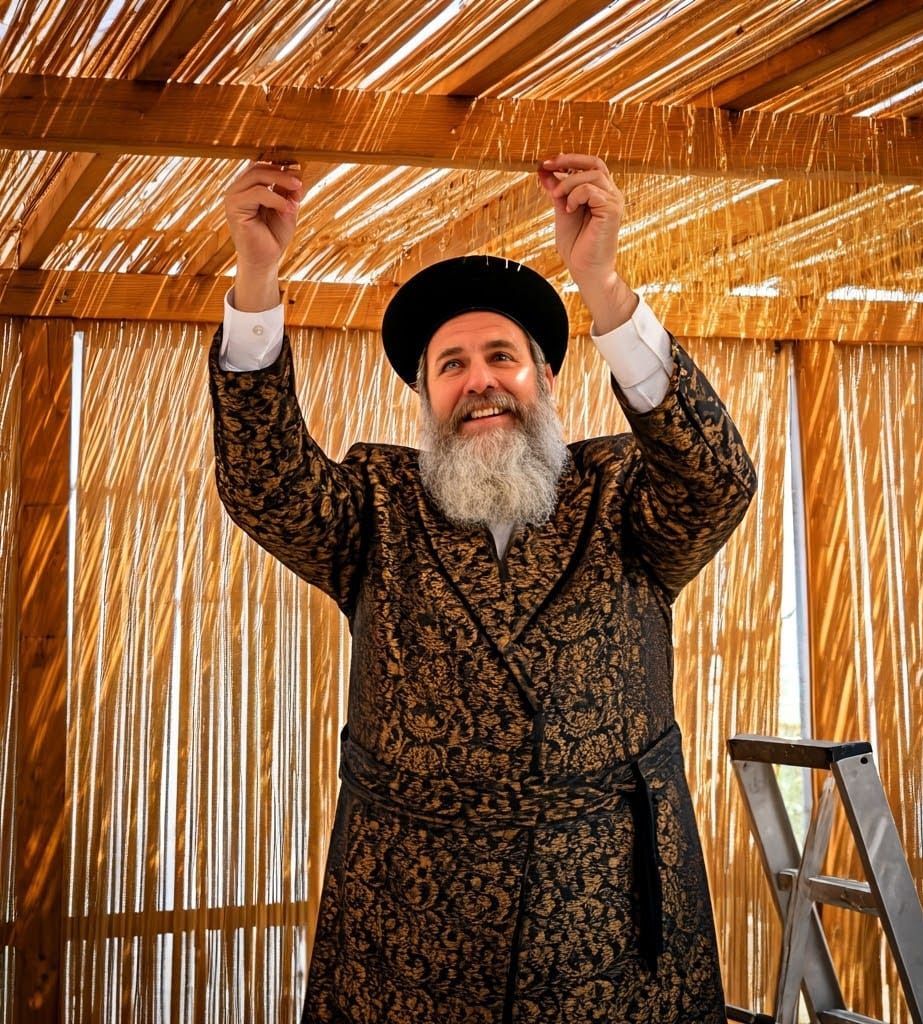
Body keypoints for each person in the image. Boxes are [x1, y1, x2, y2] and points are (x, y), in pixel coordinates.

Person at [209, 153, 756, 1023]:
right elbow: (263, 484)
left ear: (542, 379)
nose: (480, 380)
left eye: (501, 355)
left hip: (611, 920)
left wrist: (602, 283)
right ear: (427, 398)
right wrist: (256, 280)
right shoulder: (377, 506)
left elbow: (719, 481)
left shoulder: (622, 494)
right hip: (411, 932)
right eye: (451, 365)